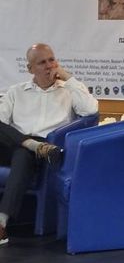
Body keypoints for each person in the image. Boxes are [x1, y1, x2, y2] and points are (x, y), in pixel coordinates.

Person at [0, 43, 99, 247]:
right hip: (14, 144)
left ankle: (1, 223)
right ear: (30, 69)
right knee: (18, 144)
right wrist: (25, 141)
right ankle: (30, 144)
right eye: (42, 62)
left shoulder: (68, 91)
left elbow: (91, 111)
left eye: (51, 60)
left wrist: (68, 77)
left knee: (23, 154)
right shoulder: (16, 91)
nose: (49, 66)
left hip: (48, 148)